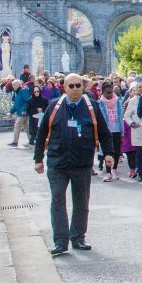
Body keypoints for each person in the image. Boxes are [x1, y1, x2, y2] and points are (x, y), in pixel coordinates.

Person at [34, 74, 113, 257]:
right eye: (71, 86)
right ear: (64, 87)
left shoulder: (91, 106)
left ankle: (78, 237)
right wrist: (38, 159)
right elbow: (42, 133)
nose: (75, 89)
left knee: (81, 202)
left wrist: (108, 153)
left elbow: (104, 132)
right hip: (57, 162)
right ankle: (60, 242)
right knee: (57, 200)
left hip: (82, 163)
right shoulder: (55, 106)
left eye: (79, 85)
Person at [98, 82, 126, 182]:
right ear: (103, 92)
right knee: (107, 151)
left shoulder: (118, 101)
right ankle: (108, 172)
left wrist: (122, 130)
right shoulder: (100, 103)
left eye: (111, 92)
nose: (109, 95)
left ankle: (114, 169)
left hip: (117, 129)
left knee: (117, 150)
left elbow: (121, 116)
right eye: (107, 93)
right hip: (106, 130)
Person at [9, 81, 33, 146]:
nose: (13, 87)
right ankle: (31, 140)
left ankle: (15, 141)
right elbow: (16, 104)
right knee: (26, 127)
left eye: (13, 85)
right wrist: (11, 112)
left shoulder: (22, 91)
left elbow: (28, 100)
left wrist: (25, 109)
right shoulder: (18, 92)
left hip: (23, 112)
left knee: (17, 125)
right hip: (21, 112)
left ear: (17, 85)